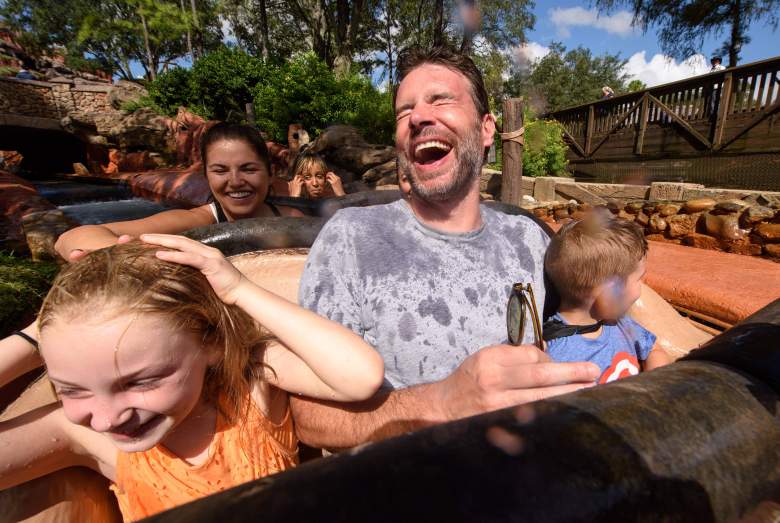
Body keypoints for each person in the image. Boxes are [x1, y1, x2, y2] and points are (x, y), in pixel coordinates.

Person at [289, 46, 601, 451]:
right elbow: (311, 418)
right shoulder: (352, 238)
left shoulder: (529, 238)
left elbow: (590, 326)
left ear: (487, 128)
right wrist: (443, 403)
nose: (418, 117)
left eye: (441, 100)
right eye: (404, 113)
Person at [0, 236, 383, 521]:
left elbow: (359, 376)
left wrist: (238, 288)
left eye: (141, 382)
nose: (106, 418)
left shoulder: (250, 385)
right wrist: (43, 332)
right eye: (73, 390)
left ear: (211, 342)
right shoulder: (87, 435)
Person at [54, 123, 303, 262]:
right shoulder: (198, 220)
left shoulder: (292, 218)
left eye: (248, 169)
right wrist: (126, 257)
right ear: (206, 176)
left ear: (270, 173)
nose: (235, 181)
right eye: (220, 170)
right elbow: (71, 238)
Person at [542, 214, 671, 383]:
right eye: (639, 279)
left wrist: (654, 383)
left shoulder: (621, 324)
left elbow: (654, 351)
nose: (642, 286)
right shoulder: (555, 354)